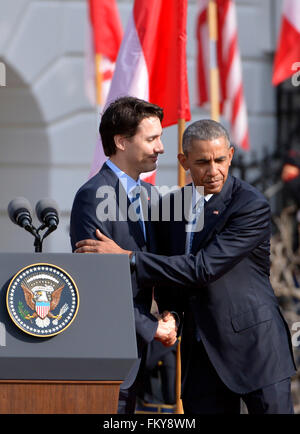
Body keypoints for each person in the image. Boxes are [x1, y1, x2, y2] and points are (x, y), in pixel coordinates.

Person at [77, 119, 297, 414]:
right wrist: (171, 315)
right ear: (184, 162)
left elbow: (202, 268)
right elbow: (169, 271)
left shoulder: (250, 205)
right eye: (202, 162)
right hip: (200, 355)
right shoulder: (170, 207)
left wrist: (127, 257)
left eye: (220, 159)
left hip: (256, 350)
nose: (213, 170)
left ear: (230, 155)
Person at [70, 96, 177, 414]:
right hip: (107, 354)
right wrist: (150, 326)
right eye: (152, 139)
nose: (160, 147)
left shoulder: (149, 196)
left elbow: (158, 264)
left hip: (141, 355)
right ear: (121, 141)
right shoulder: (91, 197)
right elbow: (95, 284)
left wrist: (170, 314)